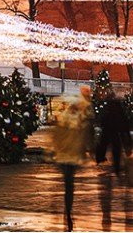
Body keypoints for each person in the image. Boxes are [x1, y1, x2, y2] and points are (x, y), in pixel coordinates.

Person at [52, 88, 95, 231]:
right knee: (69, 185)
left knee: (68, 183)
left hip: (64, 155)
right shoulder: (79, 121)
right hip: (72, 156)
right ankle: (68, 209)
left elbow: (56, 138)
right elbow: (83, 138)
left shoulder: (63, 119)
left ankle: (67, 208)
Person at [96, 90, 131, 176]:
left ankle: (100, 159)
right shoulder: (120, 109)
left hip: (108, 130)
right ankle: (117, 168)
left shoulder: (108, 108)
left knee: (104, 145)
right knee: (116, 149)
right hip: (116, 131)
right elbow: (124, 122)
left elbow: (103, 119)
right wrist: (127, 137)